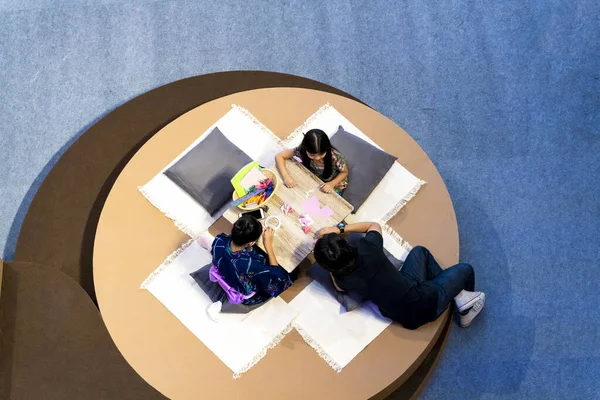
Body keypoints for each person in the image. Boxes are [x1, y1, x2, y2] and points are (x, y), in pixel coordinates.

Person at [314, 221, 485, 329]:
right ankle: (464, 302)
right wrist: (339, 228)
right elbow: (373, 226)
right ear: (346, 245)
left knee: (420, 252)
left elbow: (337, 285)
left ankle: (459, 296)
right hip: (426, 305)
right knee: (466, 269)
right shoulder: (368, 248)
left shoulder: (343, 279)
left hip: (398, 312)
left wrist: (332, 266)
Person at [210, 215, 295, 305]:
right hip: (246, 292)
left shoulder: (219, 239)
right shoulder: (251, 265)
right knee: (290, 274)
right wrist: (268, 245)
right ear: (251, 242)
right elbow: (277, 277)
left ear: (234, 225)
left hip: (228, 272)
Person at [275, 129, 349, 195]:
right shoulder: (302, 150)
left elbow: (344, 172)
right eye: (312, 155)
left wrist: (331, 184)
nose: (317, 158)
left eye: (321, 154)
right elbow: (279, 156)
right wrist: (286, 177)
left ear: (327, 148)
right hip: (316, 181)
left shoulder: (335, 157)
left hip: (334, 184)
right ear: (305, 149)